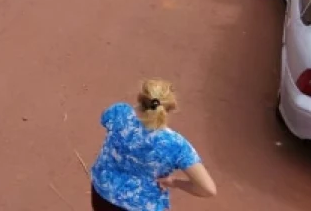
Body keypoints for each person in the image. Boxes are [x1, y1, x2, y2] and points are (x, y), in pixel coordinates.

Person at [89, 80, 217, 211]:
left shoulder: (119, 112)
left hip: (102, 193)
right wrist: (173, 182)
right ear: (170, 108)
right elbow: (208, 189)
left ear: (140, 97)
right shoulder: (176, 145)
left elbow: (105, 119)